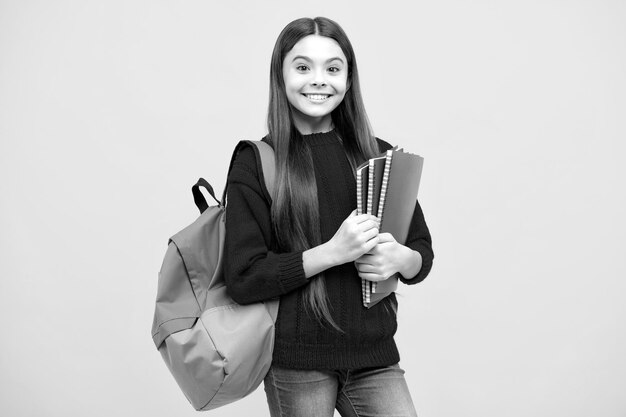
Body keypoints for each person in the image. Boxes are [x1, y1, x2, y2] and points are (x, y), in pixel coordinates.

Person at [224, 16, 433, 417]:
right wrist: (333, 252)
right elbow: (245, 277)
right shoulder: (257, 162)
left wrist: (402, 259)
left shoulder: (380, 156)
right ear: (280, 75)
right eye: (302, 67)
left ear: (349, 79)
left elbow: (421, 250)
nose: (319, 80)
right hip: (298, 364)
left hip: (374, 357)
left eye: (333, 69)